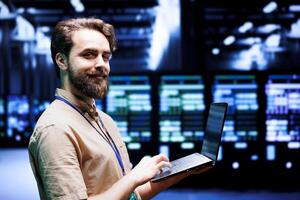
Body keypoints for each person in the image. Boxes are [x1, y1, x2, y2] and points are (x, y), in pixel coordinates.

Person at [28, 17, 209, 200]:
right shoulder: (55, 129)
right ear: (61, 61)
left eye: (106, 57)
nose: (101, 64)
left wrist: (183, 170)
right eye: (89, 54)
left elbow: (130, 195)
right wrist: (133, 178)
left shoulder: (104, 121)